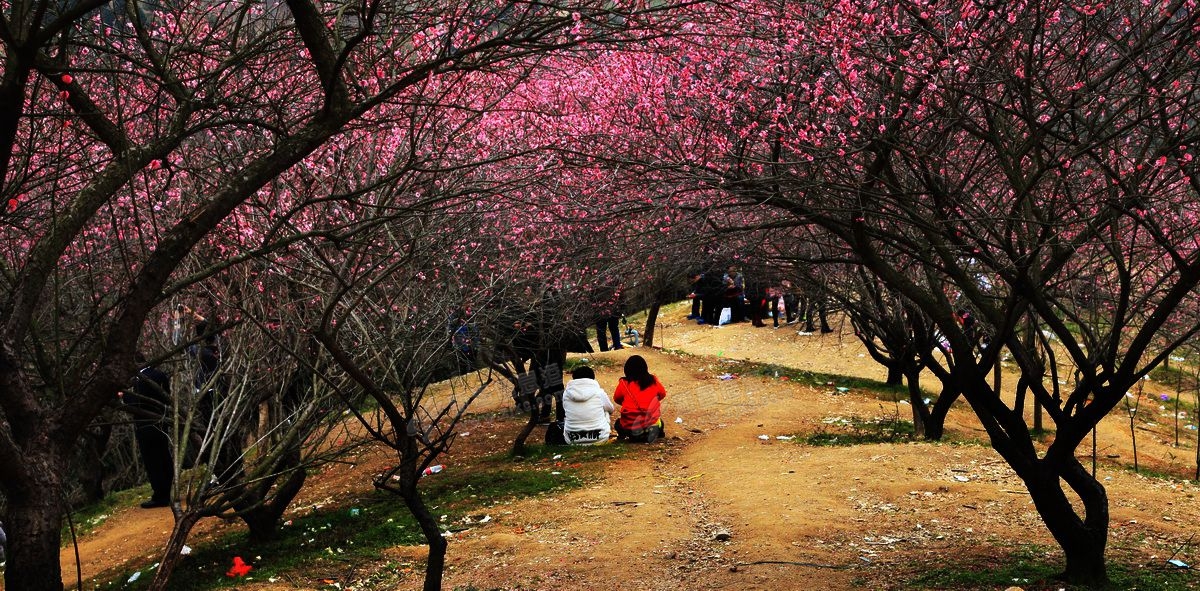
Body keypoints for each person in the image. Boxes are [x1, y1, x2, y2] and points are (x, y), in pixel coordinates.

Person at [127, 353, 173, 508]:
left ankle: (160, 495)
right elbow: (168, 395)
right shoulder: (159, 374)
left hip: (145, 424)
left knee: (153, 460)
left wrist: (123, 395)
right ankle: (170, 489)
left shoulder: (138, 380)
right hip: (162, 421)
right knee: (164, 455)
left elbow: (134, 403)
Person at [613, 355, 666, 443]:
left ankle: (622, 436)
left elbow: (617, 398)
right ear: (645, 368)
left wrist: (628, 403)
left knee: (618, 424)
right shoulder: (653, 380)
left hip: (631, 429)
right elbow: (662, 394)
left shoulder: (624, 383)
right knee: (660, 422)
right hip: (651, 426)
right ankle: (658, 433)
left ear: (626, 369)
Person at [560, 366, 615, 445]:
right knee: (605, 410)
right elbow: (611, 409)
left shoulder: (567, 394)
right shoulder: (598, 392)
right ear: (592, 378)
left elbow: (564, 409)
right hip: (600, 438)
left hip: (572, 439)